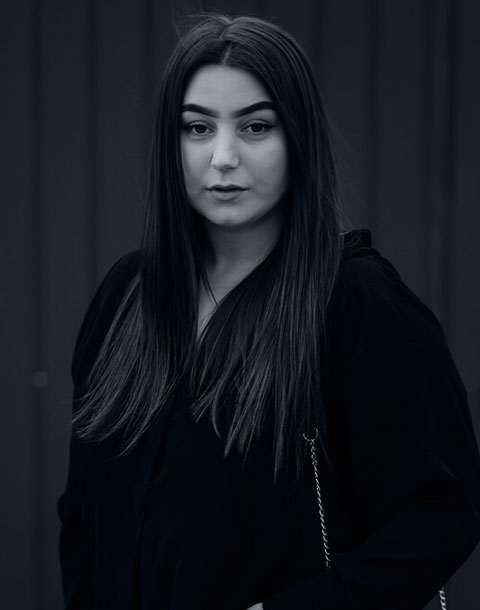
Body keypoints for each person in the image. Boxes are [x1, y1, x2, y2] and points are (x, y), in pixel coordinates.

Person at [56, 11, 480, 610]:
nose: (223, 157)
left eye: (256, 127)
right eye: (197, 128)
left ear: (297, 138)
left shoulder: (354, 302)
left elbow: (443, 511)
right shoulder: (128, 295)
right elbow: (81, 514)